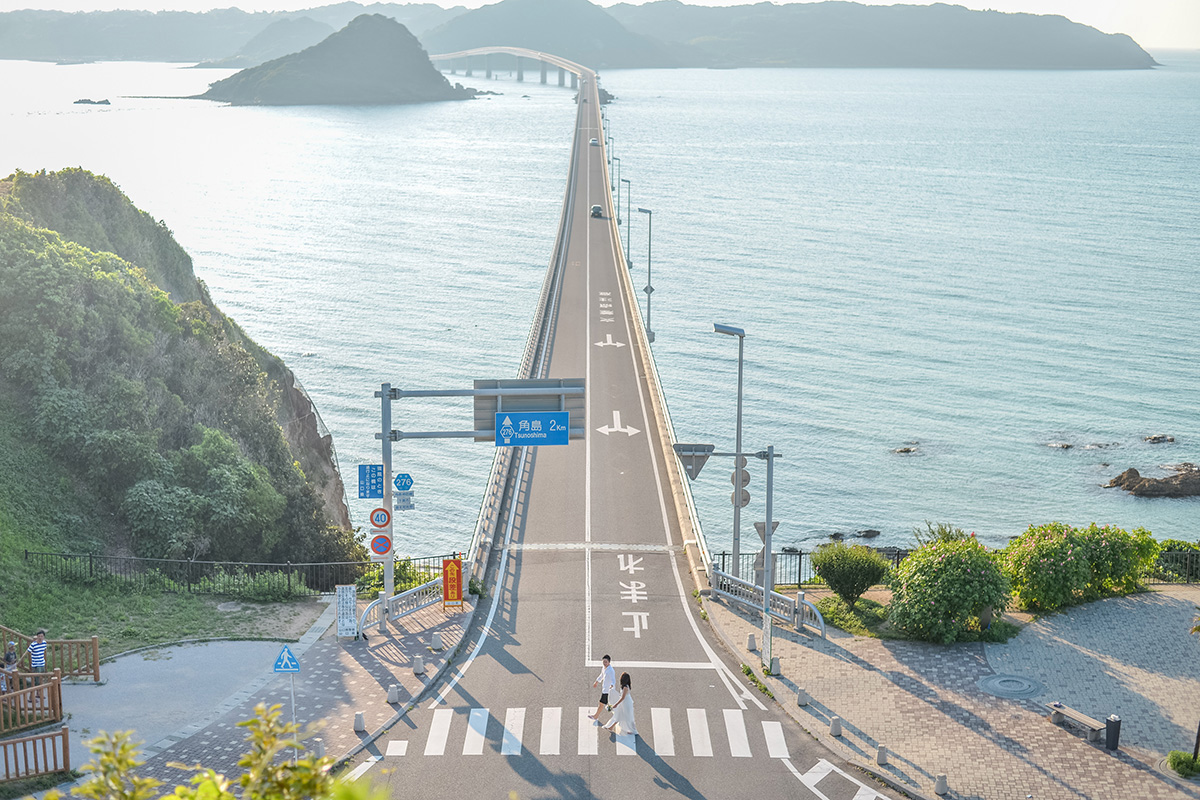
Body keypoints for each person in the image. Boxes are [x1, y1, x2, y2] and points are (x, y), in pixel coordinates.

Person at [604, 672, 638, 736]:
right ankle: (611, 727)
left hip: (626, 703)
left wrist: (616, 704)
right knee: (620, 714)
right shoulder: (624, 686)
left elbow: (623, 697)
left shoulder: (625, 687)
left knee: (628, 716)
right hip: (624, 702)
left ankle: (633, 730)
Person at [589, 654, 616, 723]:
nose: (604, 663)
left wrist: (612, 685)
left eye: (606, 662)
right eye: (603, 662)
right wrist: (597, 681)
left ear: (609, 662)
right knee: (607, 705)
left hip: (608, 691)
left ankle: (596, 716)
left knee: (602, 704)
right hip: (605, 689)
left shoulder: (611, 670)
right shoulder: (604, 668)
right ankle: (596, 716)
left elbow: (613, 680)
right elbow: (601, 675)